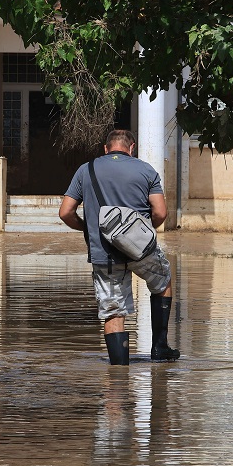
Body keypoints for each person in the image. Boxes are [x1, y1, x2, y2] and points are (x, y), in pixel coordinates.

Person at [59, 129, 179, 365]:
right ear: (131, 148)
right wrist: (140, 232)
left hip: (104, 252)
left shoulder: (86, 169)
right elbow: (161, 213)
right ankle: (160, 347)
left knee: (113, 308)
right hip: (140, 249)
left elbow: (65, 212)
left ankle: (118, 374)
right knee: (163, 281)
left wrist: (87, 228)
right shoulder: (146, 170)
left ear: (106, 148)